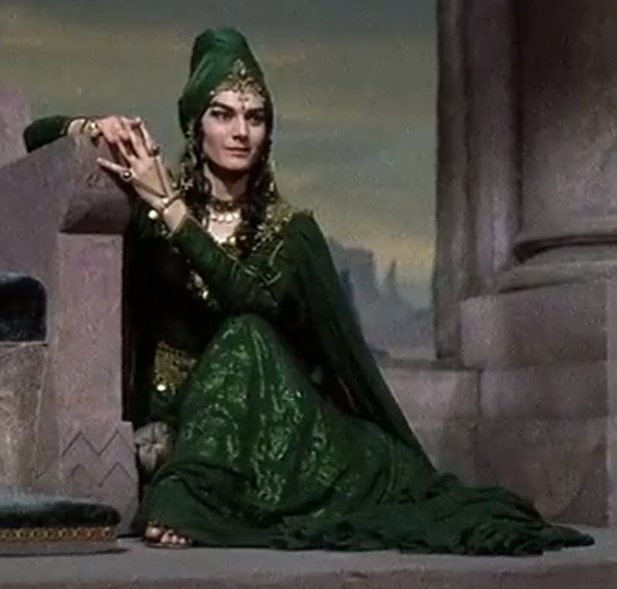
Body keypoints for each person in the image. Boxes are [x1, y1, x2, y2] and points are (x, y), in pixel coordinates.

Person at [23, 27, 593, 554]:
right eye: (222, 114)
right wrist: (93, 127)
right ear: (195, 125)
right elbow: (34, 134)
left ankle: (192, 498)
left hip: (274, 420)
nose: (240, 131)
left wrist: (173, 212)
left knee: (247, 336)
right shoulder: (154, 207)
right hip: (181, 418)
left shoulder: (288, 233)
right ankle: (192, 489)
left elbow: (248, 302)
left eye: (255, 117)